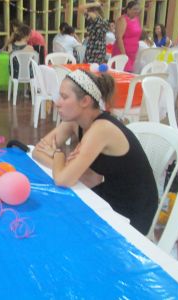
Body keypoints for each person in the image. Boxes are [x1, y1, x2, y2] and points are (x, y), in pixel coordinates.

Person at [32, 69, 158, 234]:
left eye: (64, 97)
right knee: (55, 213)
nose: (57, 102)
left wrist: (57, 155)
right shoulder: (75, 121)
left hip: (132, 211)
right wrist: (63, 167)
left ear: (85, 101)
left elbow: (62, 179)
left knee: (62, 222)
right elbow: (37, 152)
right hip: (109, 194)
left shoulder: (102, 128)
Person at [112, 1, 142, 72]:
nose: (137, 11)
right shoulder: (122, 19)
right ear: (128, 10)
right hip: (123, 52)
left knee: (129, 74)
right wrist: (123, 55)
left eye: (138, 9)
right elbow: (119, 37)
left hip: (133, 53)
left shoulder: (137, 19)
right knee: (123, 72)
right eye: (134, 9)